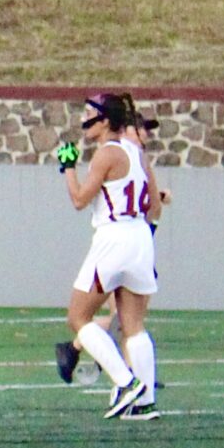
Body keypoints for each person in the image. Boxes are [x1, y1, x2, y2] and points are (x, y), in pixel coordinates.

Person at [56, 93, 160, 419]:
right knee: (134, 326)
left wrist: (68, 167)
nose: (84, 120)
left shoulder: (106, 154)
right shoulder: (138, 152)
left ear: (105, 121)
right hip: (140, 235)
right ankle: (144, 399)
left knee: (78, 317)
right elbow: (154, 204)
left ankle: (127, 382)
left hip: (113, 237)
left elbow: (78, 200)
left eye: (90, 114)